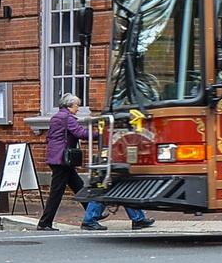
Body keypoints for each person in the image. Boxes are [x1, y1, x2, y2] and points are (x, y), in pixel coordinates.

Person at [35, 94, 152, 231]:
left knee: (79, 186)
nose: (78, 108)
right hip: (62, 160)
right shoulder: (67, 118)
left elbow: (51, 137)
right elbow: (81, 133)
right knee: (56, 193)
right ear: (69, 105)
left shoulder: (57, 117)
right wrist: (102, 134)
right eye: (77, 105)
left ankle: (91, 216)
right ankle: (45, 223)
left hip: (57, 158)